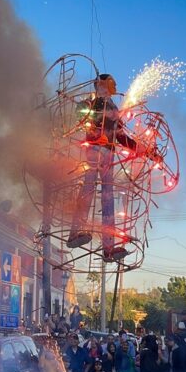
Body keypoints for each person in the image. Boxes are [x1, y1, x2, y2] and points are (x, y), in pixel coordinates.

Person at [66, 73, 130, 262]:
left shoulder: (114, 109)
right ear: (101, 85)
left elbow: (121, 136)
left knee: (108, 198)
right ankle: (74, 233)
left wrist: (147, 151)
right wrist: (94, 134)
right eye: (110, 84)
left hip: (108, 154)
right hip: (95, 150)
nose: (114, 86)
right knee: (88, 189)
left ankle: (108, 248)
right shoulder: (90, 103)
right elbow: (80, 117)